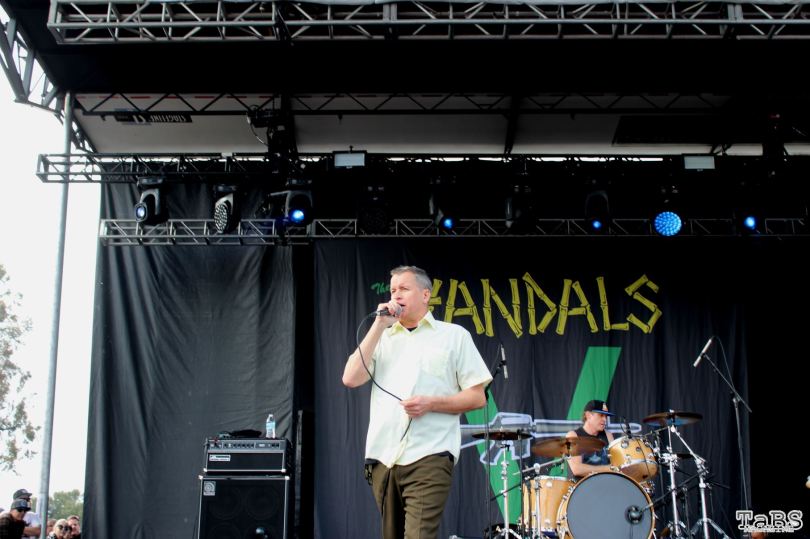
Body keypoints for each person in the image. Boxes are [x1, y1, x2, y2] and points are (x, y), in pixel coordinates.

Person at [343, 265, 492, 539]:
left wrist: (431, 403)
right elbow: (350, 378)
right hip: (383, 457)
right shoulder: (381, 337)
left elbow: (477, 396)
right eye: (392, 290)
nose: (396, 295)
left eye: (404, 288)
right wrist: (379, 325)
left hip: (430, 454)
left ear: (425, 295)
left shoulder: (453, 336)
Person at [565, 399, 616, 480]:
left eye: (606, 416)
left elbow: (616, 464)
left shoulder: (608, 435)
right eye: (601, 415)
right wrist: (607, 469)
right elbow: (576, 469)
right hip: (581, 486)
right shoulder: (572, 436)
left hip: (606, 484)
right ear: (588, 415)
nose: (605, 419)